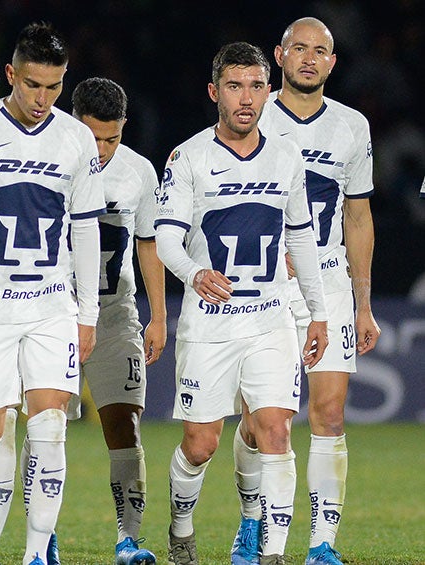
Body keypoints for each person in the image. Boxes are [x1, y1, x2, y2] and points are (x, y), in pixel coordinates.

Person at [0, 22, 105, 565]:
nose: (42, 99)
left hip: (52, 306)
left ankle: (33, 553)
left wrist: (88, 312)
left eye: (54, 87)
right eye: (33, 85)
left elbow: (85, 230)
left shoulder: (75, 137)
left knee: (49, 427)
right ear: (10, 75)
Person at [0, 76, 167, 565]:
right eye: (95, 135)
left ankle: (128, 539)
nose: (103, 149)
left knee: (124, 423)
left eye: (114, 137)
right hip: (51, 311)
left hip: (114, 313)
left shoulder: (139, 173)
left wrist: (160, 316)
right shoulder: (54, 156)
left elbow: (148, 243)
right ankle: (44, 537)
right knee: (44, 423)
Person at [155, 42, 329, 565]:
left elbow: (301, 240)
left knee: (274, 430)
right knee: (201, 444)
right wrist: (194, 272)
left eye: (256, 85)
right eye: (234, 86)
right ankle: (181, 527)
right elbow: (166, 239)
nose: (246, 97)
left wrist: (317, 310)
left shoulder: (286, 157)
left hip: (269, 320)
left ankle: (271, 554)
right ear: (215, 93)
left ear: (269, 90)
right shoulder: (189, 157)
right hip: (208, 326)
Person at [229, 18, 381, 565]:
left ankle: (322, 545)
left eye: (321, 51)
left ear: (332, 63)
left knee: (330, 413)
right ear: (280, 56)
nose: (310, 59)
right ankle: (251, 524)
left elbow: (358, 217)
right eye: (299, 49)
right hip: (266, 288)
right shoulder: (252, 113)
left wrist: (364, 302)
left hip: (332, 284)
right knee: (261, 421)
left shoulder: (351, 127)